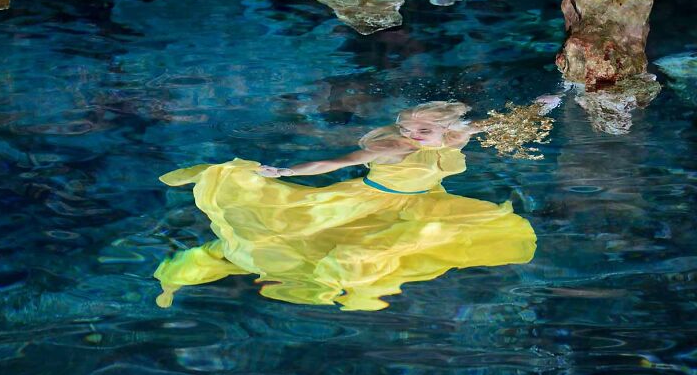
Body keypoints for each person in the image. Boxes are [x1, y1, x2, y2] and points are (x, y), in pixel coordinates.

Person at [153, 99, 555, 311]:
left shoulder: (456, 136)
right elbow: (336, 163)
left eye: (422, 130)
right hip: (368, 200)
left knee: (420, 240)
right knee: (281, 233)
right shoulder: (393, 148)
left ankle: (239, 267)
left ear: (446, 130)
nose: (412, 135)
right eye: (407, 128)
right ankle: (192, 269)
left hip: (423, 202)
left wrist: (549, 101)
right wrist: (287, 172)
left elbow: (500, 121)